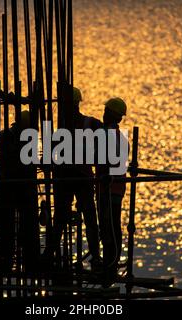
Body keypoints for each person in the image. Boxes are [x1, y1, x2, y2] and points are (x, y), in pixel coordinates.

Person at [46, 87, 103, 271]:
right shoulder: (86, 124)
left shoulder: (69, 127)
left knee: (66, 218)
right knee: (79, 218)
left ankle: (50, 255)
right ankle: (95, 257)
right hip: (77, 178)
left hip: (73, 179)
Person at [0, 110, 40, 272]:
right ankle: (8, 258)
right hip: (11, 187)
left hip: (17, 187)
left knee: (22, 224)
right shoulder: (7, 137)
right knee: (8, 224)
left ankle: (22, 257)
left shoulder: (24, 137)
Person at [96, 97, 129, 285]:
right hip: (116, 188)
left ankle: (110, 264)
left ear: (111, 114)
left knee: (108, 226)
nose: (104, 113)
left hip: (107, 189)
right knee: (113, 225)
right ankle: (112, 261)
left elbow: (105, 162)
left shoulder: (106, 136)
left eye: (106, 110)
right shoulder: (120, 137)